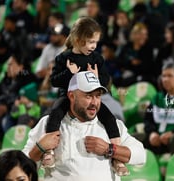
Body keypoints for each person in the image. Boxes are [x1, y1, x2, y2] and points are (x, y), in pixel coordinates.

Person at [23, 71, 146, 180]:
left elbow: (141, 155)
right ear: (71, 96)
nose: (94, 102)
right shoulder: (48, 124)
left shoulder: (113, 126)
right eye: (88, 96)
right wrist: (39, 148)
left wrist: (109, 149)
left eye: (98, 96)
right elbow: (22, 166)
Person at [46, 17, 128, 175]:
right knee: (54, 114)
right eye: (91, 42)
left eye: (96, 42)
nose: (94, 46)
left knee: (110, 118)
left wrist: (96, 76)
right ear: (78, 39)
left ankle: (117, 158)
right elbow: (54, 81)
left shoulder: (97, 59)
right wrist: (69, 73)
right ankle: (48, 152)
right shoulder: (63, 58)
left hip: (92, 100)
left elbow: (106, 81)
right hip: (69, 99)